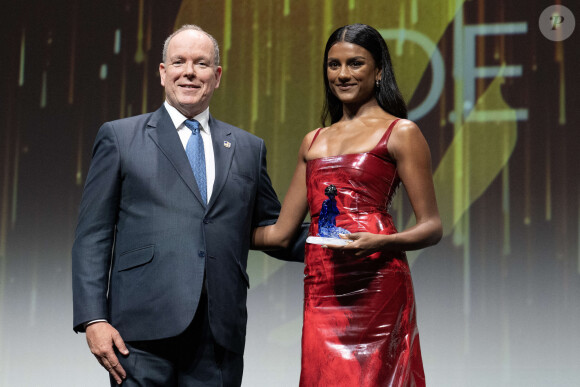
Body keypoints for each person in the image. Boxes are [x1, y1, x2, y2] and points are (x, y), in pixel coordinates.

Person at [72, 24, 304, 386]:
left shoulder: (247, 147)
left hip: (218, 334)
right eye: (178, 62)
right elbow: (93, 235)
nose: (189, 72)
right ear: (163, 72)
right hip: (139, 334)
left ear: (217, 75)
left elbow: (276, 228)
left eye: (201, 63)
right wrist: (93, 319)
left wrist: (346, 238)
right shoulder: (120, 137)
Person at [252, 24, 442, 386]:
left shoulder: (401, 132)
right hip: (323, 289)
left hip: (378, 284)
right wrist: (216, 232)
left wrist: (382, 242)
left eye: (355, 64)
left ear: (379, 70)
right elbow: (279, 235)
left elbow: (431, 226)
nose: (342, 74)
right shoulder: (313, 140)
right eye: (333, 65)